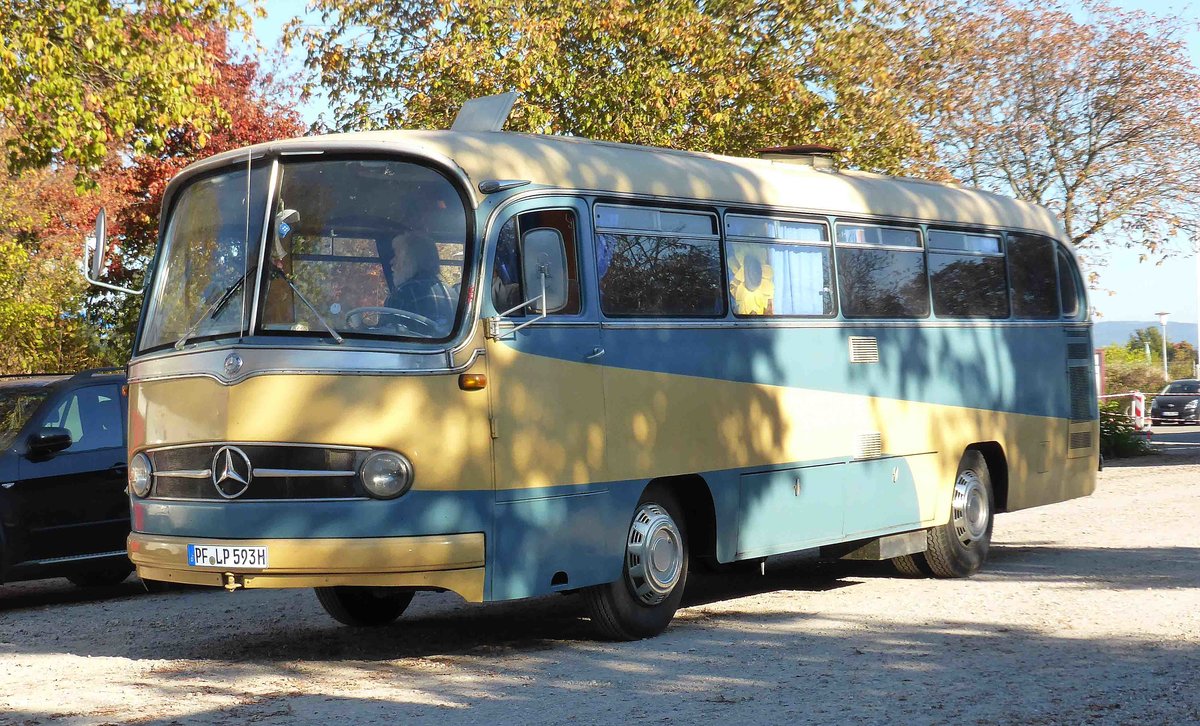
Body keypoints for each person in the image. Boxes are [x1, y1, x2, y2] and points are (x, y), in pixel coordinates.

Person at [384, 231, 454, 335]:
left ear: (410, 260)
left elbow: (383, 338)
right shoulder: (452, 294)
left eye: (396, 256)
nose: (392, 262)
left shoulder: (401, 294)